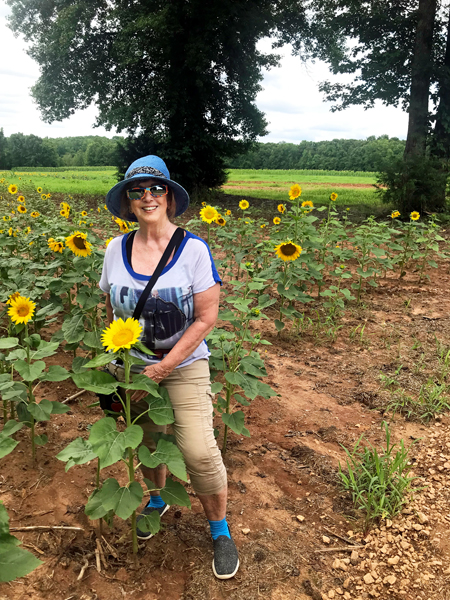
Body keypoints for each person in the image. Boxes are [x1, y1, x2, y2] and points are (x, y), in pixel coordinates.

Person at [99, 155, 239, 580]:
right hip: (134, 369)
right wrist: (120, 365)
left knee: (197, 449)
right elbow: (110, 308)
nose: (147, 196)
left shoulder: (193, 250)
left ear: (169, 197)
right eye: (137, 189)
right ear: (128, 200)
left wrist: (162, 368)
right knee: (150, 441)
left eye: (156, 188)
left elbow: (206, 317)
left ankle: (220, 530)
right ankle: (156, 499)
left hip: (184, 364)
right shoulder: (114, 249)